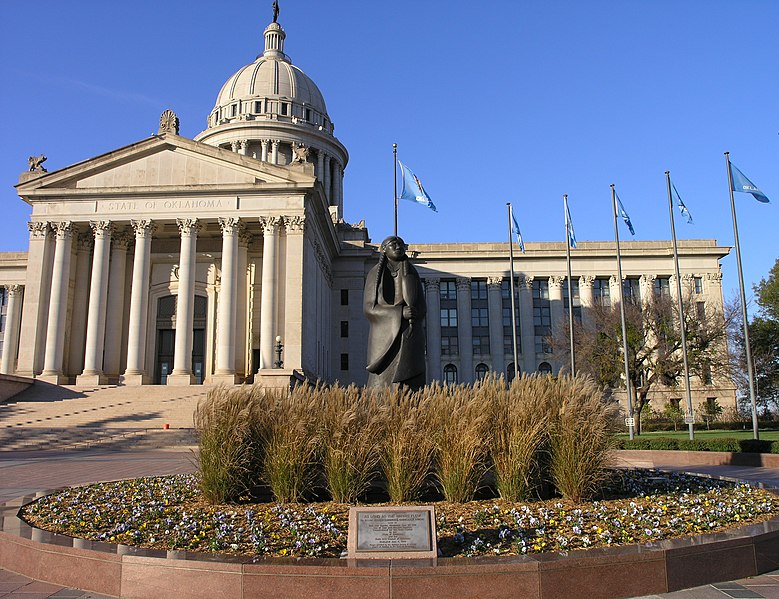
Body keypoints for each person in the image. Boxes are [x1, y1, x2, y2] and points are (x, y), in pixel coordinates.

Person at [364, 235, 427, 390]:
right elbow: (369, 309)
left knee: (411, 388)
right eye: (393, 244)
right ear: (384, 249)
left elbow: (422, 306)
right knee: (382, 388)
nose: (398, 247)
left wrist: (413, 313)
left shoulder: (412, 273)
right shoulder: (375, 274)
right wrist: (400, 313)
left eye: (401, 244)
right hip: (385, 341)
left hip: (409, 337)